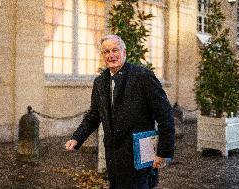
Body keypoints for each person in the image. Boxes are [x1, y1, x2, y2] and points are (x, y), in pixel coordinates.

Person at [65, 34, 175, 189]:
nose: (111, 55)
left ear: (124, 52)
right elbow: (94, 115)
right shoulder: (100, 82)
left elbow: (165, 115)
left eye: (115, 50)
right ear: (103, 55)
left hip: (140, 156)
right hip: (114, 158)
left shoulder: (143, 76)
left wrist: (163, 152)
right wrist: (77, 138)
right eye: (106, 52)